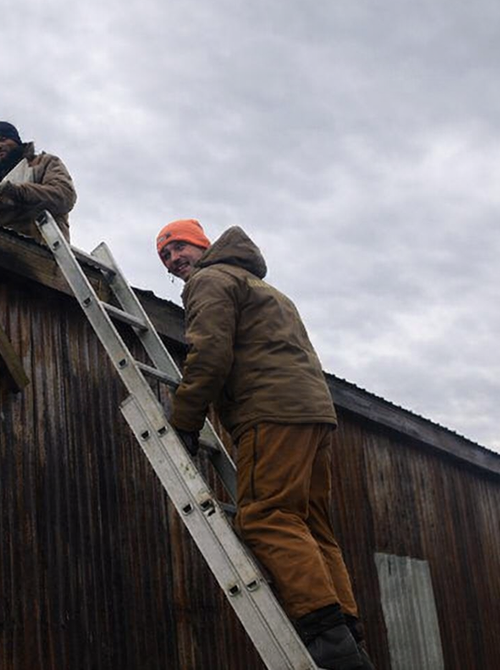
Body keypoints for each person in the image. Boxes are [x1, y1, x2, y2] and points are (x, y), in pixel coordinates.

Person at [156, 219, 374, 670]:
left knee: (266, 516)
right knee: (311, 525)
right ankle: (347, 637)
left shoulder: (211, 281)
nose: (175, 260)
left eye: (179, 248)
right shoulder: (262, 288)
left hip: (268, 411)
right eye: (166, 256)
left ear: (203, 246)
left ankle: (326, 637)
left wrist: (183, 421)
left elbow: (210, 353)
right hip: (311, 413)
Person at [0, 121, 76, 240]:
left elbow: (64, 195)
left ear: (16, 141)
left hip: (40, 249)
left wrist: (11, 191)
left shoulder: (44, 163)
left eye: (3, 139)